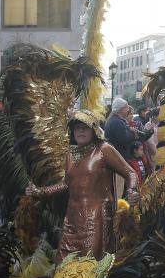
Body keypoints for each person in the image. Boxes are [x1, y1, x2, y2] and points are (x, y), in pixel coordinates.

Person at [26, 109, 139, 261]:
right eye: (76, 127)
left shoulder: (104, 150)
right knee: (64, 265)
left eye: (84, 127)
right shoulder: (70, 155)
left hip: (96, 219)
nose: (80, 130)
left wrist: (132, 190)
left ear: (93, 130)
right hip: (71, 220)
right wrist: (40, 192)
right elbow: (67, 184)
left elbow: (130, 173)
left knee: (90, 268)